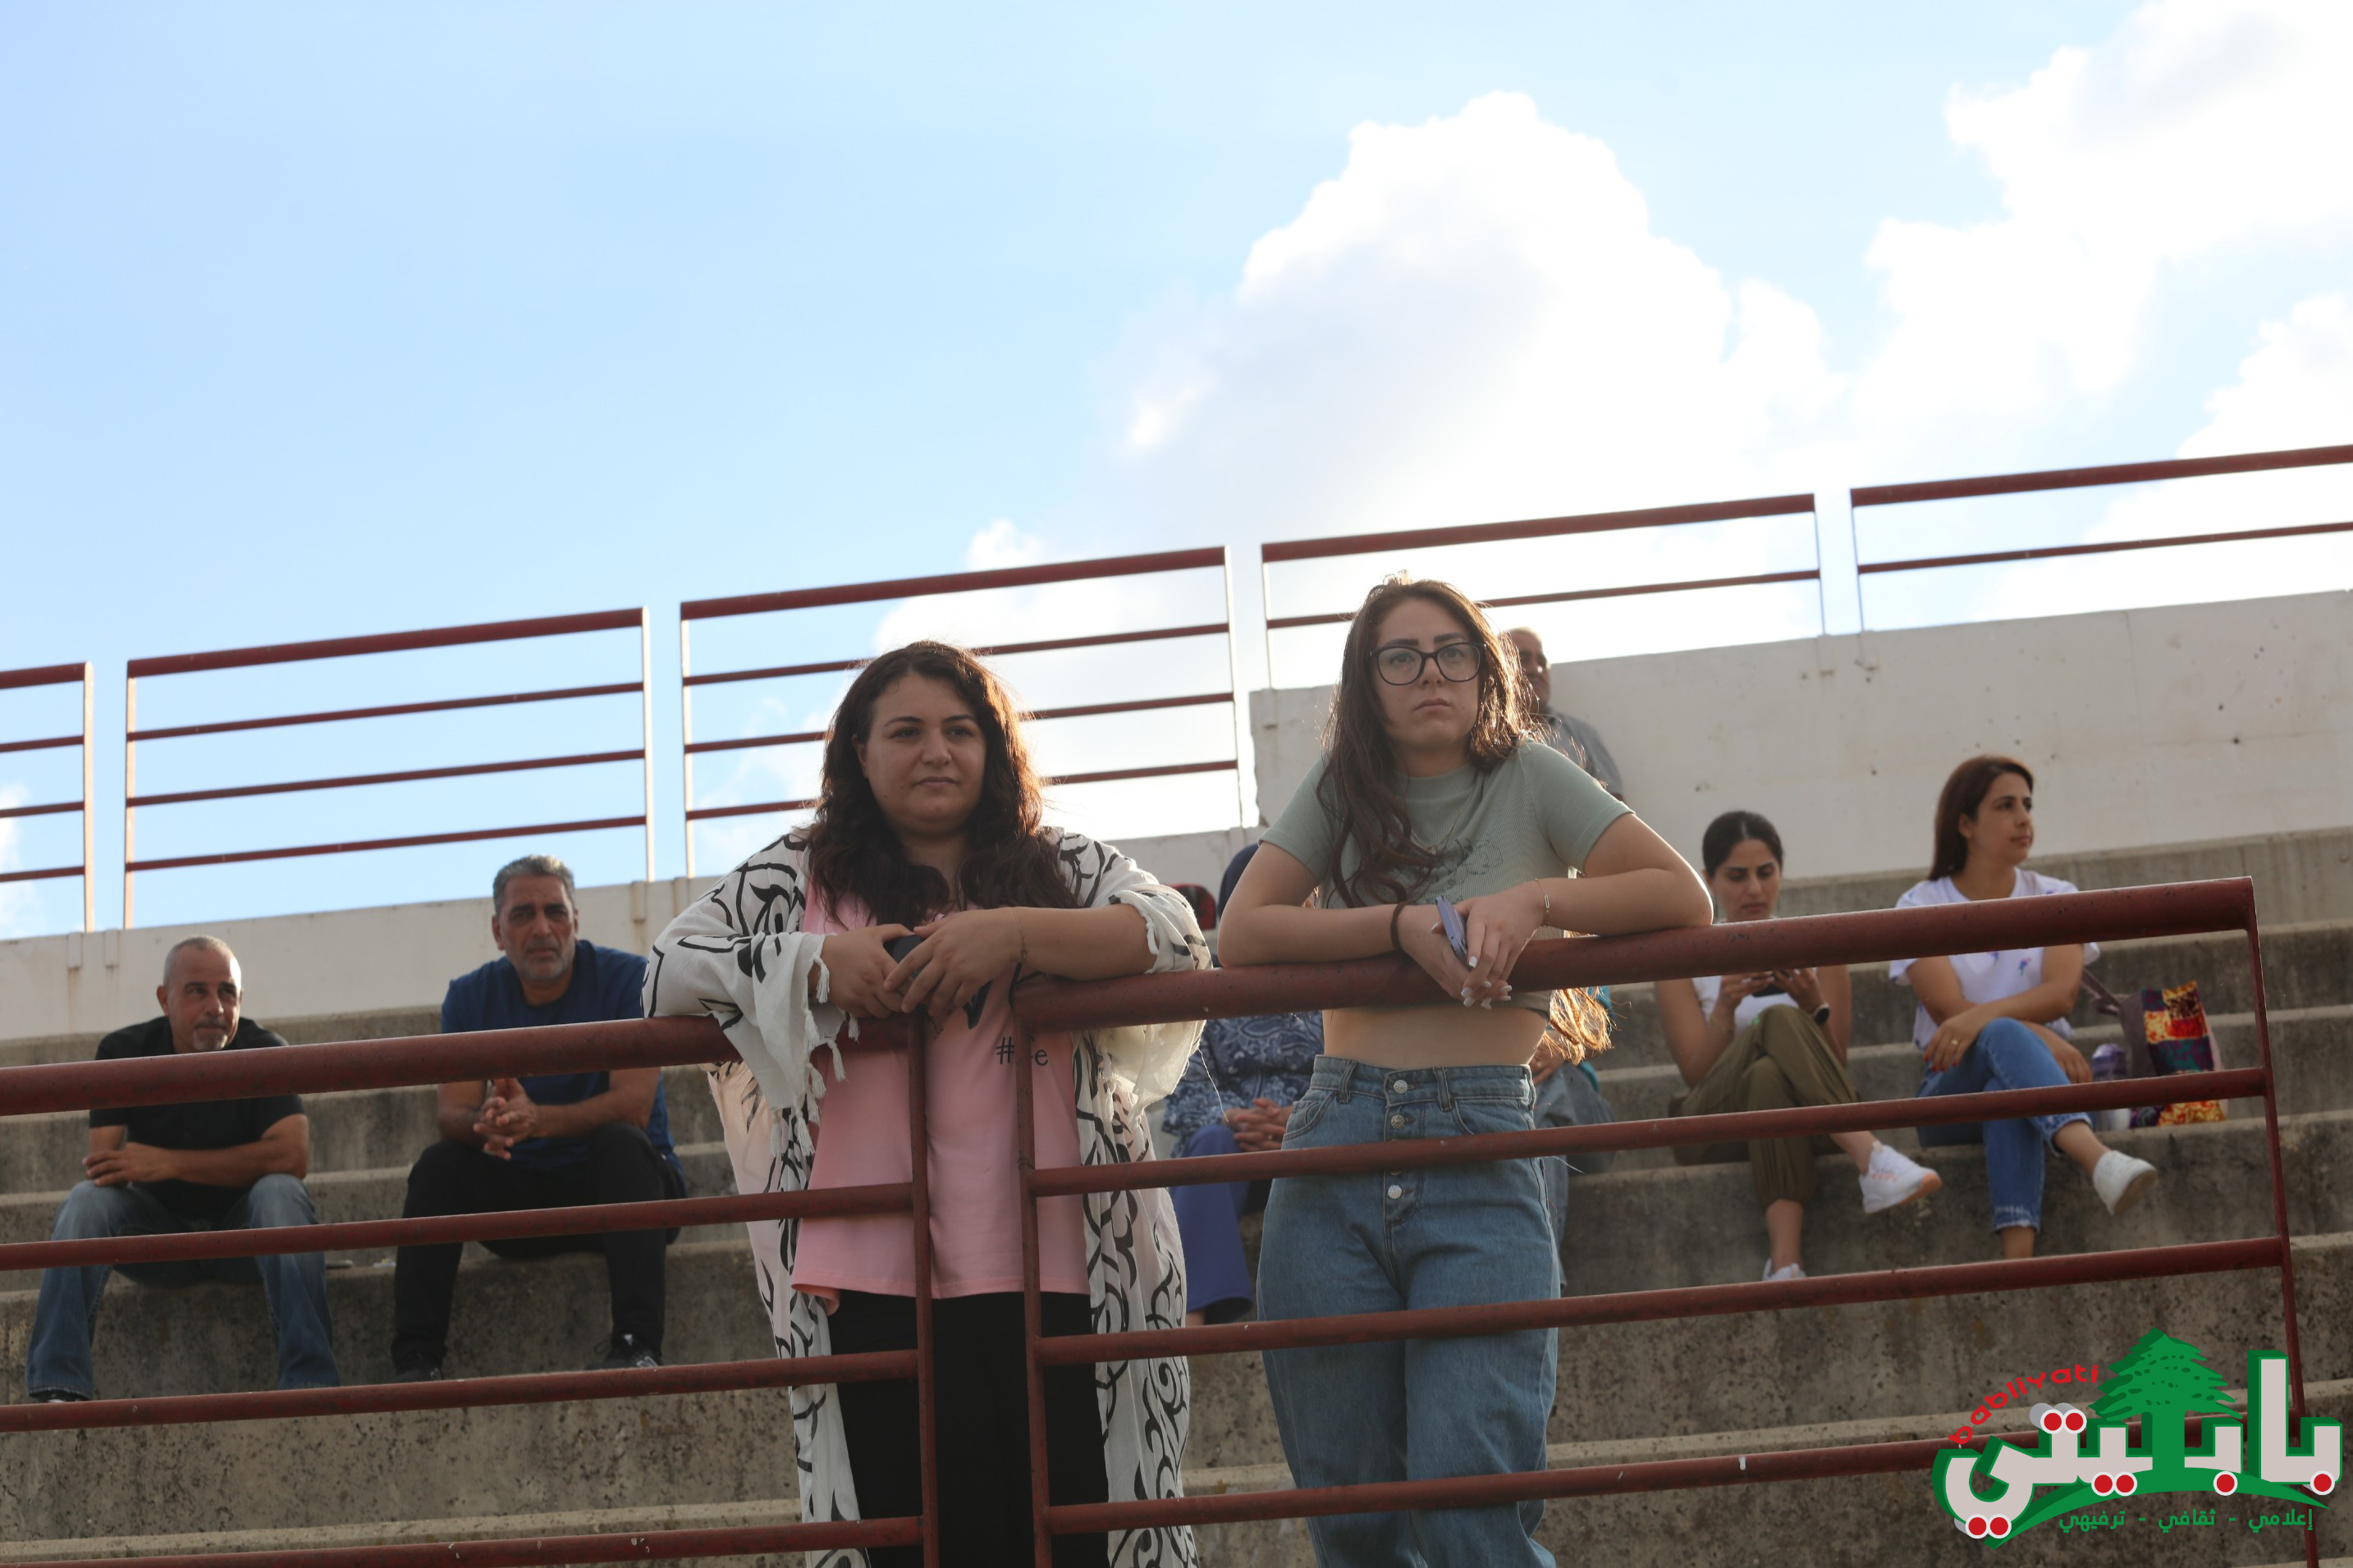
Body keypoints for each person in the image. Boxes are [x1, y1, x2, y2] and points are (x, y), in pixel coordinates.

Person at [644, 641, 1208, 1568]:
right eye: (905, 732)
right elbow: (666, 969)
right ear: (858, 754)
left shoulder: (1058, 861)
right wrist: (818, 965)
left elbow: (1175, 935)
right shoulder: (796, 873)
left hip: (1069, 1259)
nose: (936, 751)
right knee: (919, 1546)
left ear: (992, 749)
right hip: (870, 1273)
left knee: (1074, 1541)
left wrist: (1015, 934)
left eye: (960, 730)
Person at [1220, 575, 1712, 1566]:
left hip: (1480, 1146)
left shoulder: (1530, 774)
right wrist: (1397, 925)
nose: (1428, 674)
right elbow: (1241, 932)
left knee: (1471, 1520)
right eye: (1398, 657)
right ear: (1366, 683)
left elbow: (1680, 896)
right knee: (1354, 1529)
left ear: (1485, 673)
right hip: (1333, 1144)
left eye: (1451, 652)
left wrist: (1538, 900)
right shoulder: (1340, 785)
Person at [390, 855, 686, 1381]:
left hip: (621, 1196)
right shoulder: (470, 996)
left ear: (576, 920)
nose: (542, 928)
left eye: (555, 912)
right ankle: (415, 1362)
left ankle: (637, 1347)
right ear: (498, 932)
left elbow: (634, 1107)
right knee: (439, 1165)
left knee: (621, 1142)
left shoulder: (627, 978)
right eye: (523, 914)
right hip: (524, 1205)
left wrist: (537, 1121)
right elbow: (451, 1114)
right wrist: (489, 1121)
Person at [24, 936, 337, 1402]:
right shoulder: (125, 1050)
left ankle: (311, 1386)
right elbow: (104, 1164)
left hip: (245, 1241)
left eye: (227, 992)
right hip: (160, 1243)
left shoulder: (265, 1050)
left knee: (280, 1193)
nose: (216, 1007)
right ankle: (58, 1387)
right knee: (85, 1202)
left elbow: (293, 1157)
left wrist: (169, 1162)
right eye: (197, 991)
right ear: (164, 999)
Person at [1655, 811, 1941, 1283]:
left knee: (1768, 1076)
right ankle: (1870, 1155)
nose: (1754, 889)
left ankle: (1785, 1264)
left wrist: (1813, 1004)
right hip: (1714, 1125)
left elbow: (1834, 1067)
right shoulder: (1684, 960)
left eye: (1766, 873)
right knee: (1775, 1020)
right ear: (1709, 880)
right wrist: (1725, 1008)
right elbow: (1695, 1076)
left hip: (1806, 1117)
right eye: (1737, 876)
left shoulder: (1816, 946)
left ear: (1782, 873)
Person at [1892, 757, 2159, 1259]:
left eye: (2028, 805)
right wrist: (2039, 1034)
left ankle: (2018, 1263)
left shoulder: (2056, 896)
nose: (2023, 819)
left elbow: (2061, 994)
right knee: (1999, 1035)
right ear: (1965, 824)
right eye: (2005, 806)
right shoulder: (1920, 906)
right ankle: (2097, 1159)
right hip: (1950, 1092)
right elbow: (1949, 1010)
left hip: (2046, 1083)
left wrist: (1983, 1016)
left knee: (2007, 1091)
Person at [1160, 842, 1325, 1327]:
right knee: (1209, 1146)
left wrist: (1301, 1122)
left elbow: (1359, 1075)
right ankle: (1191, 1320)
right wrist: (1236, 1119)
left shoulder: (1337, 983)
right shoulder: (1205, 987)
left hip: (1314, 1142)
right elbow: (1183, 1091)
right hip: (1233, 1145)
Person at [1504, 624, 1625, 799]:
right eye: (1523, 660)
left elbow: (1615, 803)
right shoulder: (1477, 737)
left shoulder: (1581, 734)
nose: (1536, 670)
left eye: (1542, 663)